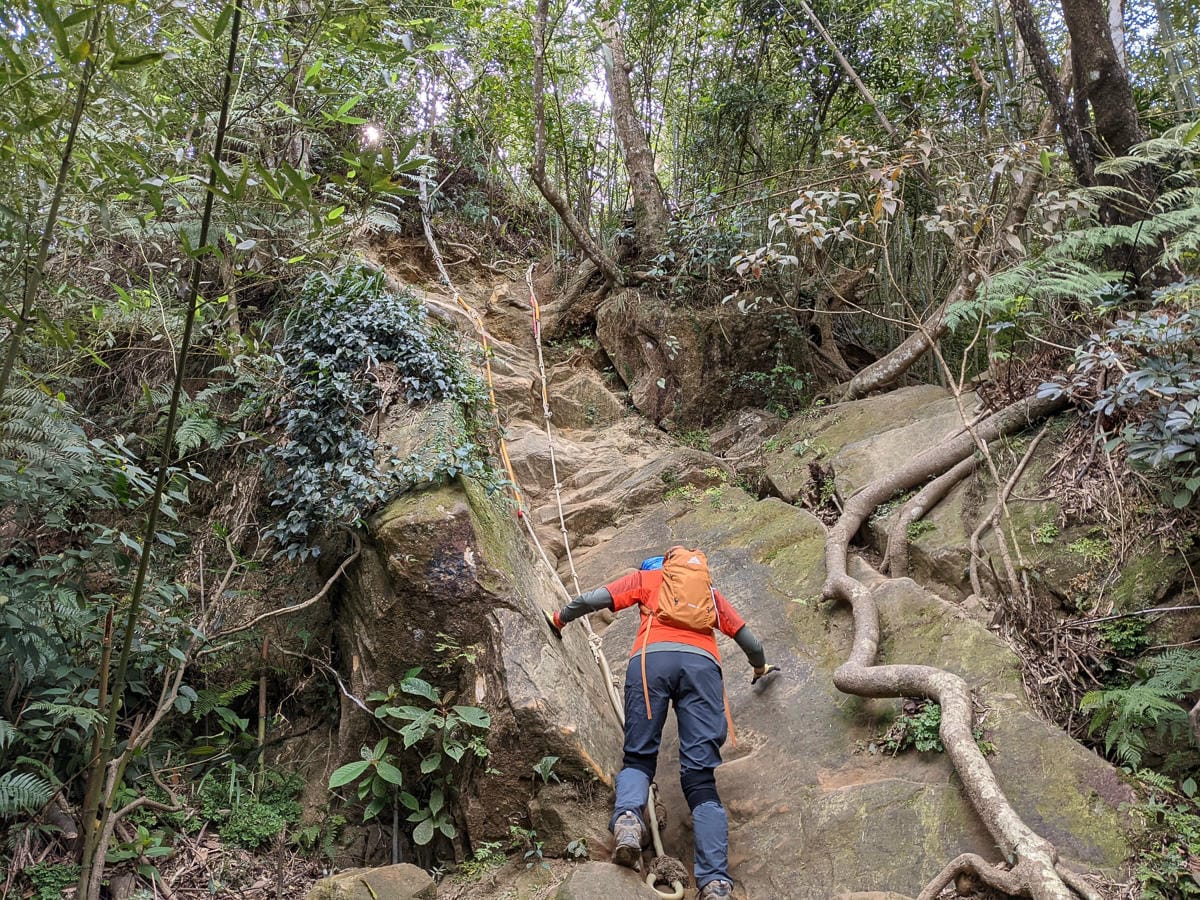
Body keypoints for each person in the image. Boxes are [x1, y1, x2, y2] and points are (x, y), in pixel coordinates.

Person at [547, 547, 774, 900]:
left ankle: (627, 824)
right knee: (700, 778)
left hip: (650, 661)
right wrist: (759, 669)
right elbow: (751, 642)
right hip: (702, 669)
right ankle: (714, 883)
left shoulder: (646, 579)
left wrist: (560, 618)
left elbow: (594, 598)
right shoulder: (710, 596)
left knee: (639, 758)